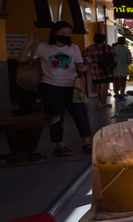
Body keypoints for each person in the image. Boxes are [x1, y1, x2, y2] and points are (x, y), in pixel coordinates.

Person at [18, 22, 92, 156]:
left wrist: (82, 67)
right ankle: (59, 145)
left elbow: (79, 63)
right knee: (56, 117)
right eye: (63, 34)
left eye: (69, 34)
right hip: (51, 86)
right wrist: (30, 42)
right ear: (54, 34)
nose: (67, 36)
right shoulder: (43, 47)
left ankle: (86, 143)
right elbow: (21, 58)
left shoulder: (73, 48)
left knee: (81, 114)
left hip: (72, 86)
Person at [83, 33, 115, 108]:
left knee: (98, 85)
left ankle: (100, 102)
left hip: (94, 68)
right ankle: (104, 102)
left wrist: (88, 63)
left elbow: (82, 55)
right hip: (105, 68)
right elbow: (114, 54)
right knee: (104, 84)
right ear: (103, 39)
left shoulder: (90, 47)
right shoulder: (107, 47)